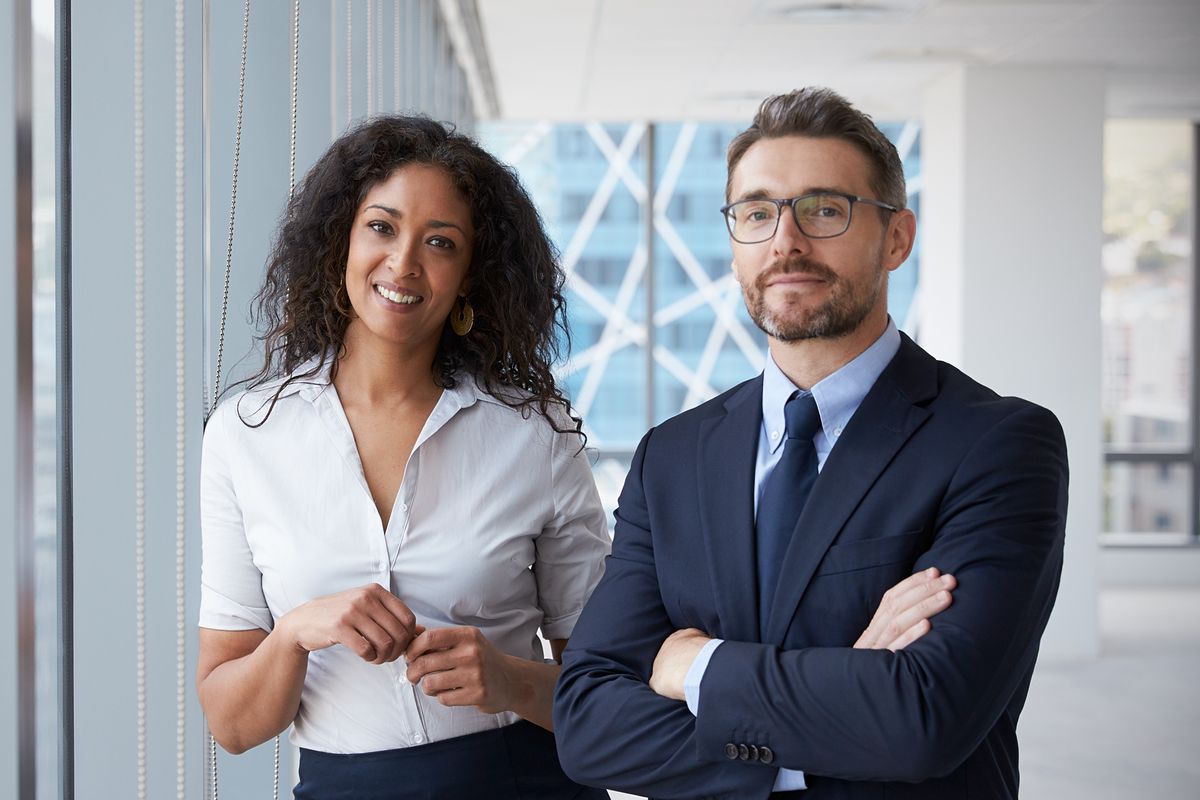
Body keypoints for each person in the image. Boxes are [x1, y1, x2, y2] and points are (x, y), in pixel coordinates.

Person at [554, 87, 1068, 799]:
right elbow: (587, 723)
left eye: (825, 210)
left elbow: (922, 720)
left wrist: (696, 667)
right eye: (757, 213)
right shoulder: (672, 457)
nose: (785, 241)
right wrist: (845, 698)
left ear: (897, 238)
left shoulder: (998, 444)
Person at [197, 115, 611, 799]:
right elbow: (232, 725)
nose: (403, 263)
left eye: (440, 242)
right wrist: (295, 632)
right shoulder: (246, 436)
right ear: (341, 240)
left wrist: (509, 679)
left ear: (470, 276)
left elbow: (610, 695)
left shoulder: (535, 436)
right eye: (381, 227)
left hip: (522, 780)